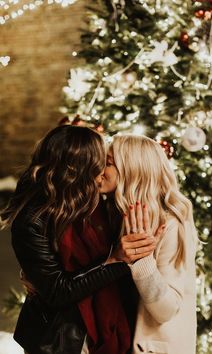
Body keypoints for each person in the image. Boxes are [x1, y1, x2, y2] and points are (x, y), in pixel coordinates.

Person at [0, 125, 156, 354]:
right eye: (98, 164)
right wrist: (116, 261)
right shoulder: (33, 220)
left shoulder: (95, 203)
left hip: (106, 330)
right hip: (59, 340)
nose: (103, 172)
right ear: (78, 169)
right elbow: (57, 291)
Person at [99, 134, 198, 354]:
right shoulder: (110, 213)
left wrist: (142, 260)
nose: (98, 170)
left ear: (131, 170)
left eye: (107, 163)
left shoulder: (172, 224)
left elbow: (166, 310)